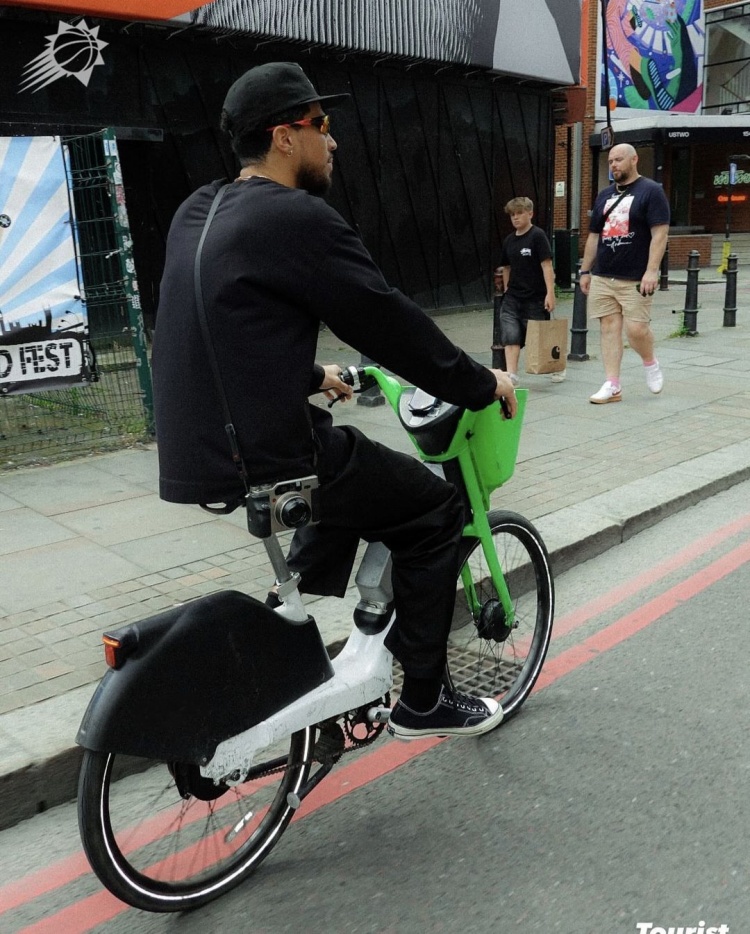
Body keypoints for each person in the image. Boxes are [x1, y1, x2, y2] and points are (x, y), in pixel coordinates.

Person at [151, 62, 518, 741]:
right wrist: (478, 381)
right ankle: (424, 701)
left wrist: (309, 372)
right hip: (265, 446)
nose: (334, 140)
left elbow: (222, 325)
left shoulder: (198, 210)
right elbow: (385, 319)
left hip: (198, 447)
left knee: (351, 479)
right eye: (321, 125)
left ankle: (288, 641)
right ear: (285, 137)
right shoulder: (296, 217)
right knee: (435, 513)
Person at [579, 143, 670, 404]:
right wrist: (585, 270)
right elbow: (594, 235)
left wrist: (652, 271)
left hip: (635, 276)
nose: (614, 165)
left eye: (619, 160)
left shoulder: (651, 192)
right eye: (610, 161)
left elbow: (660, 233)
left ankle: (650, 363)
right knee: (608, 327)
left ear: (634, 159)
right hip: (603, 274)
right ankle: (612, 384)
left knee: (636, 330)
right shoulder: (604, 196)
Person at [498, 197, 562, 385]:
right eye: (512, 215)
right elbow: (506, 267)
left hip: (535, 297)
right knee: (510, 335)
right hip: (513, 297)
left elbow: (547, 265)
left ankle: (557, 365)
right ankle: (511, 374)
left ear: (530, 214)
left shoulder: (537, 236)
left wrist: (550, 293)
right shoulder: (509, 240)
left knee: (539, 336)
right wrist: (508, 288)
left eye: (519, 213)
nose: (515, 218)